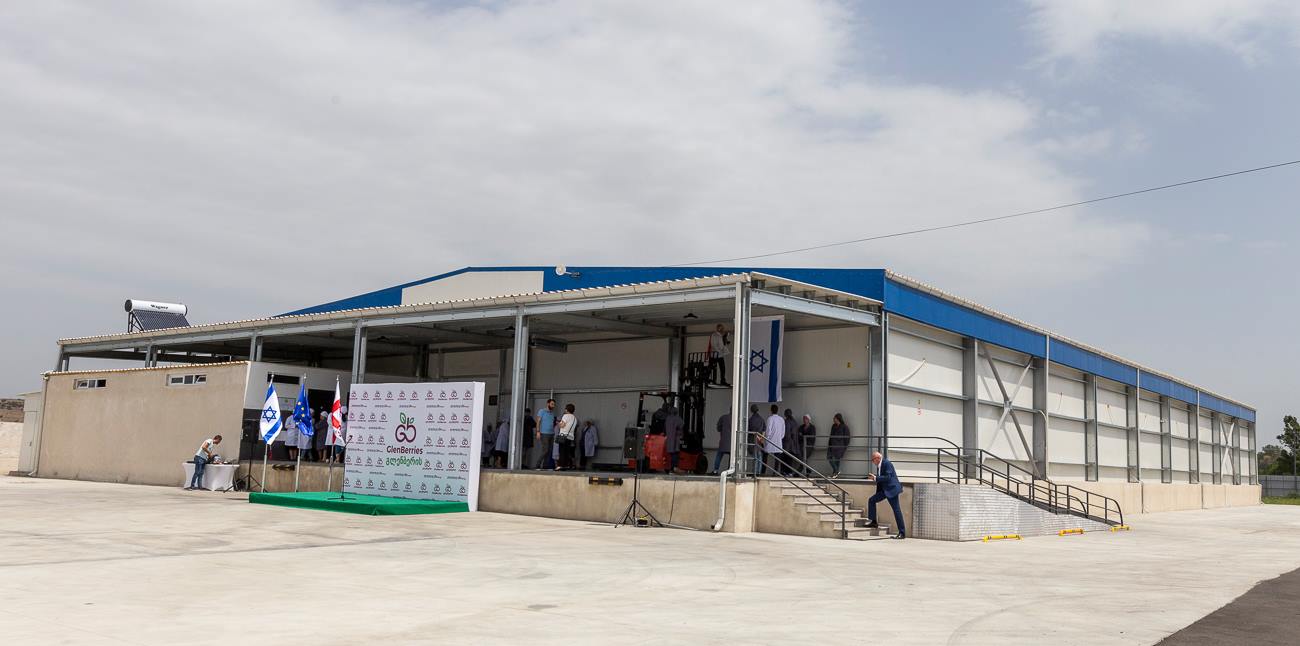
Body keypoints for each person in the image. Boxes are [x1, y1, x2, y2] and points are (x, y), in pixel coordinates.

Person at [865, 451, 905, 539]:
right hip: (884, 490)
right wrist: (876, 478)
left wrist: (875, 478)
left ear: (877, 458)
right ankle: (874, 522)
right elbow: (881, 480)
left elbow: (888, 477)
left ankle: (902, 533)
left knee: (896, 510)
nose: (872, 462)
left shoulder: (887, 463)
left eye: (873, 460)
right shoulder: (879, 466)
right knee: (872, 500)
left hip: (892, 490)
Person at [763, 404, 785, 475]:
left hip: (770, 441)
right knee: (777, 458)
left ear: (771, 410)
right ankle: (775, 472)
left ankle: (763, 471)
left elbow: (768, 430)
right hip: (778, 441)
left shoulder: (770, 419)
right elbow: (783, 432)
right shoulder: (781, 419)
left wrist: (767, 438)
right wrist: (780, 438)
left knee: (765, 456)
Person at [555, 403, 578, 471]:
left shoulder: (565, 416)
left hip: (563, 435)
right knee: (566, 452)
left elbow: (562, 425)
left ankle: (560, 465)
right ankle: (566, 465)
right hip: (570, 436)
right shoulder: (575, 418)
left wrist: (558, 423)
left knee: (561, 451)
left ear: (566, 409)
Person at [535, 399, 557, 470]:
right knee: (545, 450)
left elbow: (552, 423)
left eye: (554, 404)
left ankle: (545, 466)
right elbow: (538, 421)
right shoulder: (542, 411)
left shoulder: (552, 413)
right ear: (548, 404)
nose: (553, 406)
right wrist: (538, 431)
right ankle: (537, 464)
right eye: (552, 404)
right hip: (544, 433)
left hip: (551, 434)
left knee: (550, 451)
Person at [827, 413, 849, 477]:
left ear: (838, 419)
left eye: (834, 418)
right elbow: (831, 435)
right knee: (829, 457)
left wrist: (844, 447)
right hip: (832, 446)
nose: (833, 419)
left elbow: (847, 438)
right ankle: (836, 471)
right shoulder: (833, 426)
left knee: (837, 461)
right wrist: (829, 444)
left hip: (839, 447)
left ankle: (835, 474)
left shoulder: (844, 427)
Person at [664, 406, 684, 472]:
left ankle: (669, 468)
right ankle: (674, 468)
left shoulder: (667, 418)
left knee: (670, 453)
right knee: (675, 453)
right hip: (675, 439)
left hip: (669, 439)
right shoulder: (677, 419)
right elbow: (682, 425)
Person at [747, 404, 766, 474]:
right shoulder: (761, 419)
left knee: (755, 457)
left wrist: (757, 436)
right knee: (759, 456)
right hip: (760, 441)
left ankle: (755, 472)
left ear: (751, 410)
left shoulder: (751, 419)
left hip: (753, 440)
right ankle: (759, 472)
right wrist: (761, 437)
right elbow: (764, 429)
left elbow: (751, 430)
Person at [782, 408, 799, 474]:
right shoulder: (795, 422)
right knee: (790, 459)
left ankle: (787, 472)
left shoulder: (787, 421)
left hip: (787, 444)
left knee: (786, 459)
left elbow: (786, 433)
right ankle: (790, 472)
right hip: (794, 444)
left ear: (785, 414)